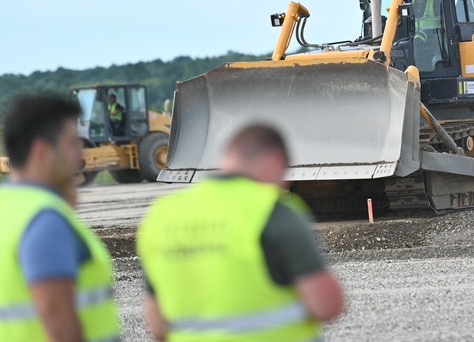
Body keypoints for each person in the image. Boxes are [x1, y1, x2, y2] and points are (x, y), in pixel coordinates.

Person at [138, 124, 345, 341]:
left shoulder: (160, 216)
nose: (284, 182)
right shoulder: (274, 212)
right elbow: (326, 306)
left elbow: (157, 326)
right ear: (274, 160)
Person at [0, 95, 120, 341]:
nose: (80, 153)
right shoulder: (44, 220)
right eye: (72, 144)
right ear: (42, 151)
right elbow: (55, 317)